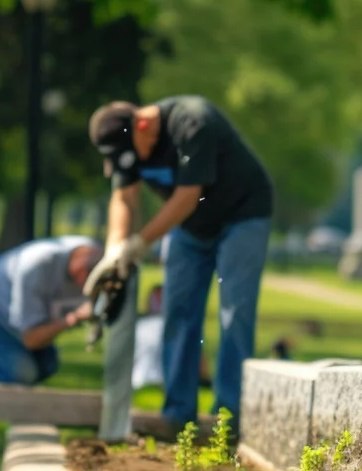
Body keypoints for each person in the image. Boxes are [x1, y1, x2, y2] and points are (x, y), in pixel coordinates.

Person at [86, 97, 273, 433]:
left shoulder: (192, 122)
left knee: (235, 312)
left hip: (243, 215)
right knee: (178, 312)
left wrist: (140, 242)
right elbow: (124, 197)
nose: (132, 164)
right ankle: (177, 416)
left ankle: (227, 420)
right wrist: (116, 248)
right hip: (190, 227)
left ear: (142, 124)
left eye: (132, 154)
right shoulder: (127, 141)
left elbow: (188, 196)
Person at [0, 236, 104, 413]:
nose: (83, 286)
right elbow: (31, 339)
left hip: (12, 315)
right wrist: (72, 319)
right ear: (79, 262)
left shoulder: (95, 256)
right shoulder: (36, 267)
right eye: (84, 275)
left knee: (47, 365)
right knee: (23, 373)